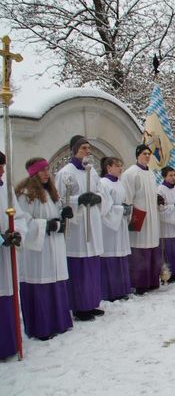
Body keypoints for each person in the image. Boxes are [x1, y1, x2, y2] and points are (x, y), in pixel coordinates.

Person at [15, 158, 73, 340]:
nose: (47, 173)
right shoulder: (26, 195)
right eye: (42, 170)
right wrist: (45, 226)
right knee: (42, 283)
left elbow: (54, 215)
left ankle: (59, 322)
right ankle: (42, 326)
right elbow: (23, 220)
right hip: (38, 250)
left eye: (48, 169)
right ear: (33, 173)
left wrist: (63, 216)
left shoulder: (50, 193)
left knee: (55, 281)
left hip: (53, 246)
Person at [55, 135, 106, 321]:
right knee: (79, 267)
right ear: (74, 150)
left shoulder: (91, 171)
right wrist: (78, 200)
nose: (87, 151)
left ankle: (91, 302)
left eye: (88, 148)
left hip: (92, 222)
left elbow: (101, 191)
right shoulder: (65, 173)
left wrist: (98, 198)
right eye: (83, 148)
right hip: (77, 227)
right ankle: (79, 306)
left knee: (92, 264)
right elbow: (60, 199)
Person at [121, 144, 161, 295]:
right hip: (139, 216)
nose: (147, 156)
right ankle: (139, 283)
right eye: (144, 153)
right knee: (139, 249)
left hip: (152, 216)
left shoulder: (150, 173)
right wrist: (132, 216)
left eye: (149, 153)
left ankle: (151, 280)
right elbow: (127, 197)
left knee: (151, 246)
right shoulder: (131, 173)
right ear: (137, 155)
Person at [1, 151, 28, 358]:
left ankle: (8, 344)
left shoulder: (6, 189)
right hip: (2, 244)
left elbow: (18, 215)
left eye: (3, 166)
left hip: (6, 253)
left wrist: (17, 233)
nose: (2, 171)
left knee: (8, 296)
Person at [98, 157, 132, 302]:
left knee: (120, 255)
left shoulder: (119, 183)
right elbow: (104, 207)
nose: (120, 168)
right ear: (108, 167)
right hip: (109, 227)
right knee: (110, 255)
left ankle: (121, 289)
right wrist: (120, 209)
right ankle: (110, 291)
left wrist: (126, 208)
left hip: (121, 223)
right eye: (117, 166)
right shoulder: (103, 184)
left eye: (121, 165)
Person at [157, 166, 175, 283]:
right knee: (166, 250)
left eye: (174, 175)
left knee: (174, 249)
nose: (173, 178)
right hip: (165, 226)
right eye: (170, 175)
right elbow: (160, 208)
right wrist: (172, 208)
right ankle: (166, 274)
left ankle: (174, 272)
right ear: (164, 176)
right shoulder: (160, 190)